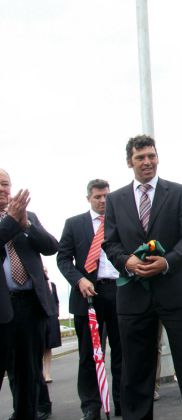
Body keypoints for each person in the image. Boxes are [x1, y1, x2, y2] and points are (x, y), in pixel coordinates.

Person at [102, 135, 182, 419]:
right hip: (133, 296)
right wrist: (127, 261)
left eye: (151, 156)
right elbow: (110, 242)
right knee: (136, 368)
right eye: (140, 157)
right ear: (129, 161)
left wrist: (167, 262)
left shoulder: (178, 193)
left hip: (175, 290)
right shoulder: (115, 200)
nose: (147, 162)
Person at [57, 179, 123, 420]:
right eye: (98, 197)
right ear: (89, 198)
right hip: (88, 296)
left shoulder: (120, 221)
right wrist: (79, 280)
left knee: (122, 352)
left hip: (118, 292)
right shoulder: (74, 224)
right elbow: (63, 259)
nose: (103, 200)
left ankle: (122, 402)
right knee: (89, 355)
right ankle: (91, 406)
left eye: (106, 196)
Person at [0, 168, 59, 420]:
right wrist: (10, 223)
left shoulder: (27, 215)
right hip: (2, 308)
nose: (3, 189)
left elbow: (50, 246)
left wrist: (26, 225)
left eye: (6, 184)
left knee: (28, 375)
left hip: (29, 307)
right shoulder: (11, 219)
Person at [42, 266, 61, 383]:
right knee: (39, 348)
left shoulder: (52, 285)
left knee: (48, 347)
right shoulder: (37, 285)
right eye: (43, 271)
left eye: (46, 270)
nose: (45, 273)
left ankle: (47, 374)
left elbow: (56, 301)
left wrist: (56, 314)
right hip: (41, 319)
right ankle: (39, 374)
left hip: (52, 319)